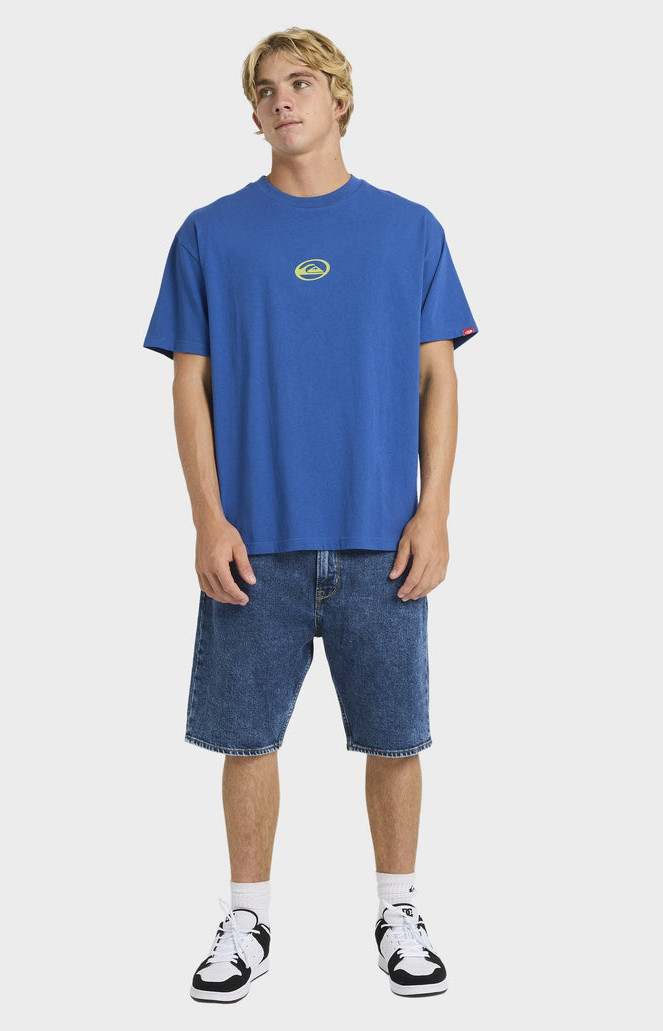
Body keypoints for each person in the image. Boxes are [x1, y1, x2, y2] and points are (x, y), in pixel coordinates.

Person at [142, 26, 478, 1002]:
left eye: (300, 81)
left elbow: (438, 378)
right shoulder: (209, 234)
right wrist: (207, 518)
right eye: (264, 89)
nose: (280, 98)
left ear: (339, 98)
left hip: (382, 536)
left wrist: (435, 511)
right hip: (255, 538)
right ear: (252, 115)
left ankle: (398, 910)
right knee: (246, 738)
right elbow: (189, 386)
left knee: (397, 737)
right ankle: (246, 918)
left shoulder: (409, 229)